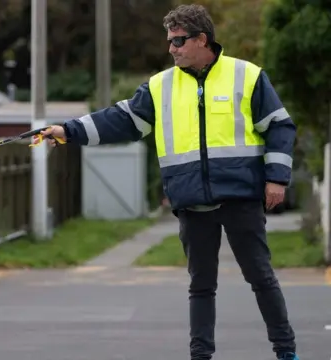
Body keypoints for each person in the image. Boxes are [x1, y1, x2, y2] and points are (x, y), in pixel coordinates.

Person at [40, 4, 298, 360]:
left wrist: (276, 178)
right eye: (170, 41)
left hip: (241, 196)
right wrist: (68, 131)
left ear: (202, 39)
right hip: (191, 200)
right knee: (201, 288)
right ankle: (200, 357)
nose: (172, 49)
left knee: (261, 279)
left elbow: (280, 127)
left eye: (179, 41)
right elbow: (121, 120)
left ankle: (286, 353)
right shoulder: (160, 86)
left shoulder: (247, 76)